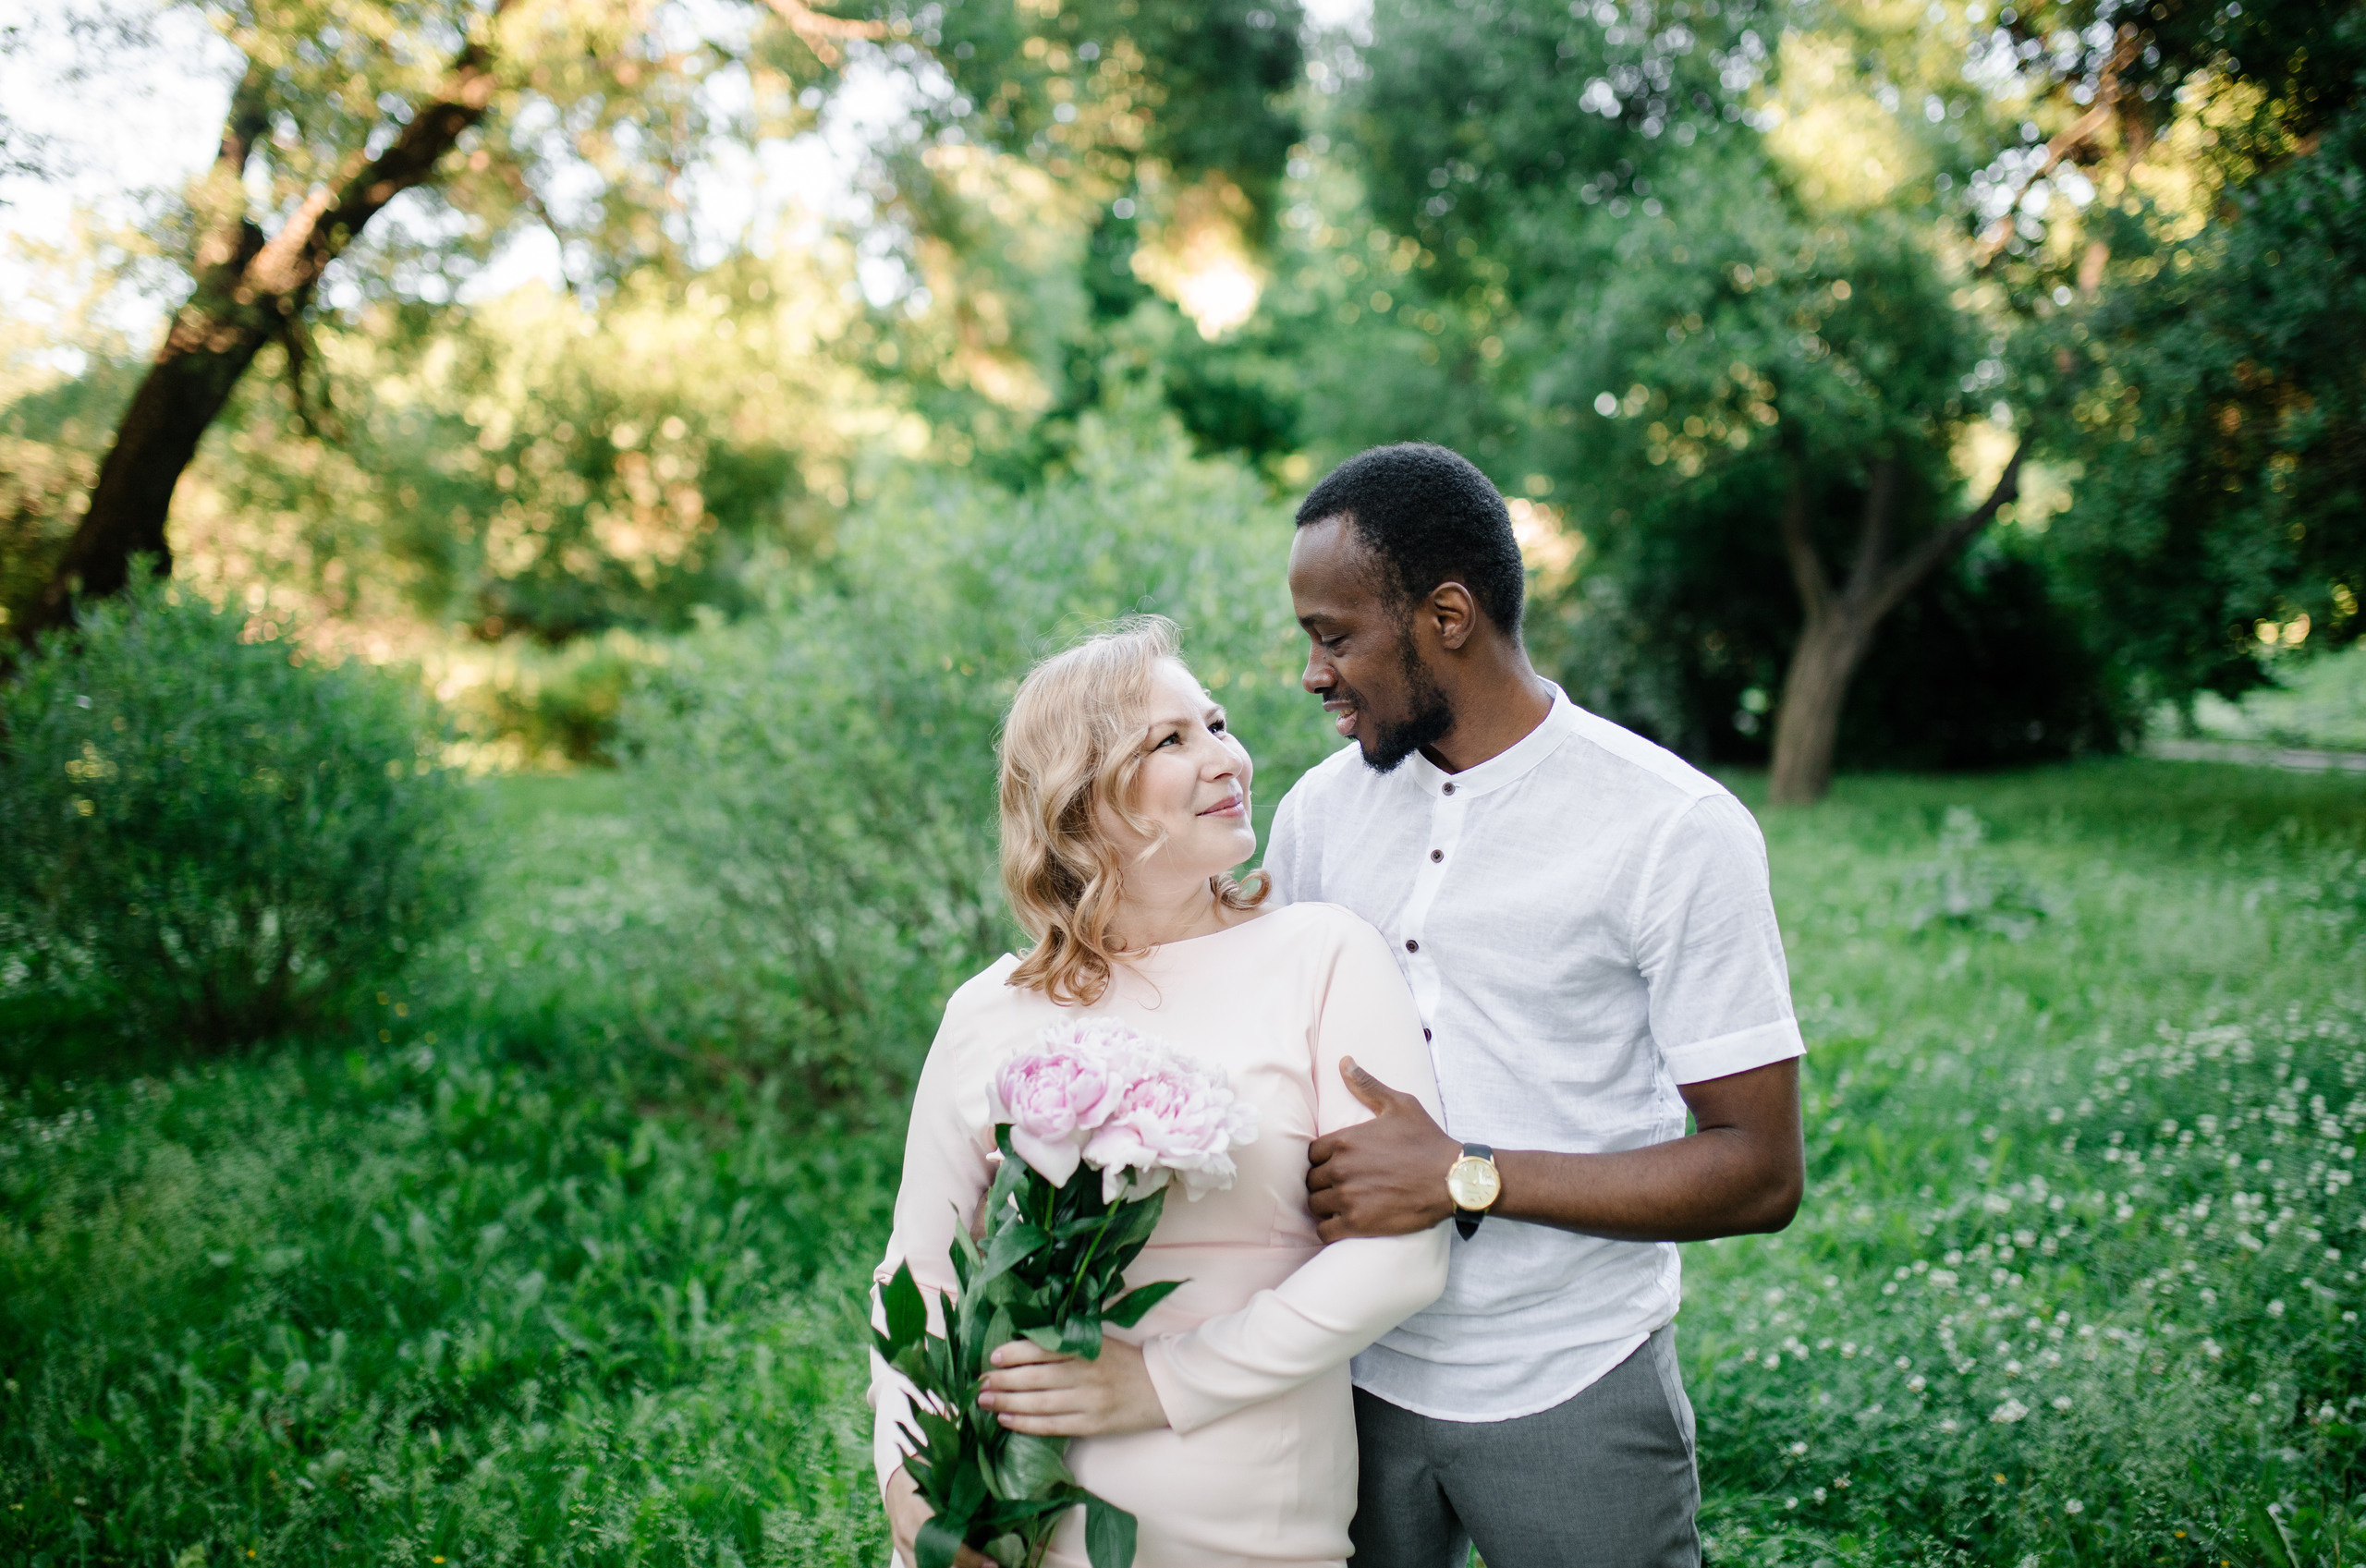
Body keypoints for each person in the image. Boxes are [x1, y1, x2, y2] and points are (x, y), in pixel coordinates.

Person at [1265, 443, 1809, 1568]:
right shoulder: (1315, 814)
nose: (1312, 673)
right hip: (1340, 1378)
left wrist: (1464, 1171)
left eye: (1334, 636)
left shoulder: (1672, 827)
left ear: (1447, 615)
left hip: (1571, 1383)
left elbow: (1759, 1169)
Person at [869, 615, 1452, 1568]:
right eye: (1172, 740)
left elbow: (1401, 1258)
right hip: (998, 1528)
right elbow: (919, 1272)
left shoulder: (1320, 955)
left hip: (1247, 1526)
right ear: (1079, 797)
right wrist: (912, 1482)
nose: (1227, 757)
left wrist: (1159, 1382)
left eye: (1217, 724)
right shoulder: (987, 1008)